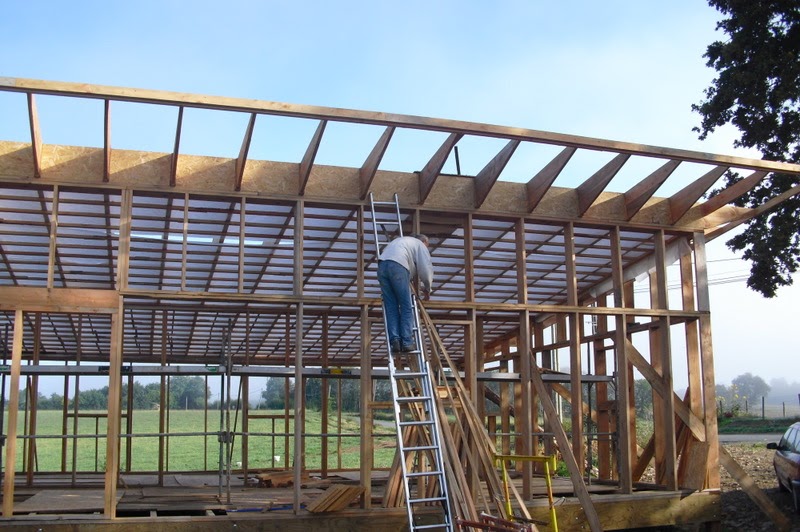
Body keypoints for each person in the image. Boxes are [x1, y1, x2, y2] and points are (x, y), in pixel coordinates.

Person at [377, 234, 433, 353]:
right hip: (397, 267)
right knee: (406, 306)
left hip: (382, 267)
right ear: (424, 241)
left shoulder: (400, 242)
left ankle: (395, 341)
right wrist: (428, 289)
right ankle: (407, 342)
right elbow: (426, 268)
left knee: (391, 307)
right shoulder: (419, 245)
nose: (426, 248)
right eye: (427, 246)